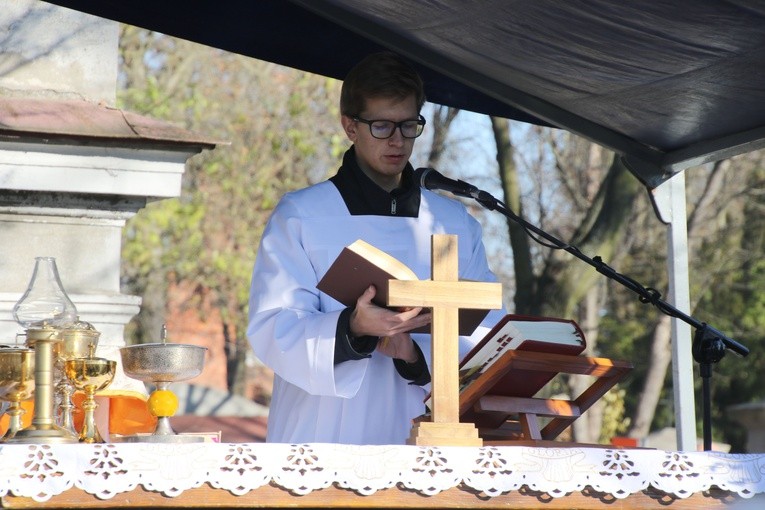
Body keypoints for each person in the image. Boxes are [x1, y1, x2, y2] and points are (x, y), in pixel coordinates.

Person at [247, 52, 504, 445]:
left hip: (429, 428)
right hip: (326, 430)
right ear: (350, 126)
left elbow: (486, 332)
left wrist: (415, 357)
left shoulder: (454, 223)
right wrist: (353, 328)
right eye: (381, 126)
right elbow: (273, 328)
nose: (398, 141)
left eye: (408, 125)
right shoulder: (302, 214)